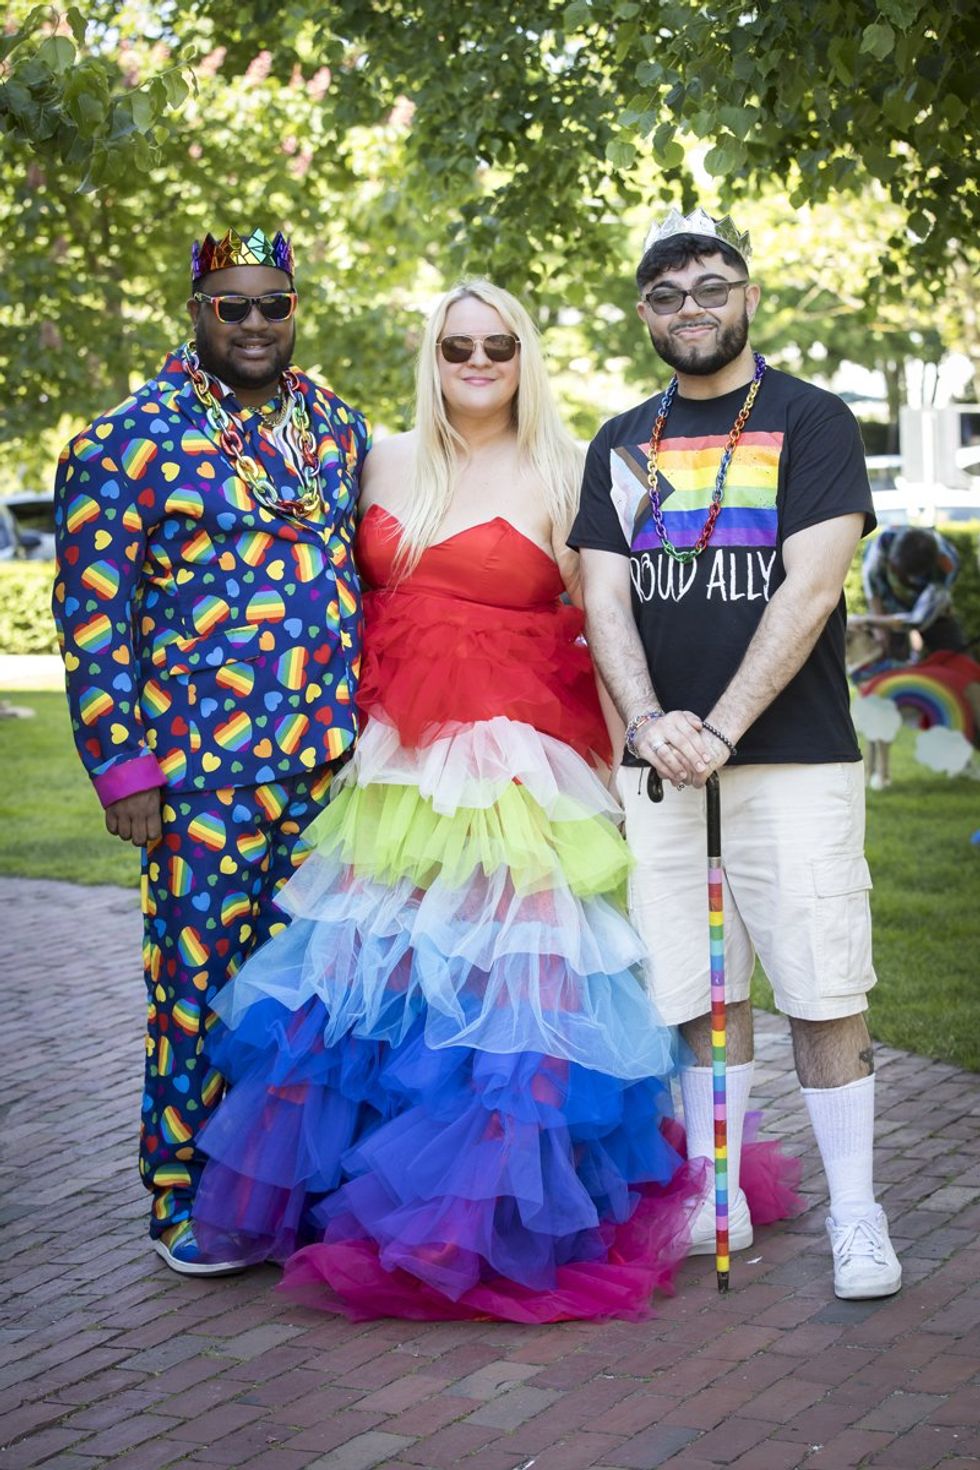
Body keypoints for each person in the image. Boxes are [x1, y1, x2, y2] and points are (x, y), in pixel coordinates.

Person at [190, 278, 799, 1323]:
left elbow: (607, 628)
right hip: (390, 774)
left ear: (525, 357)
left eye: (497, 348)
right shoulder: (378, 459)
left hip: (519, 775)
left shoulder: (572, 471)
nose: (476, 365)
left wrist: (632, 772)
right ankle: (359, 1204)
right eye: (457, 347)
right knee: (377, 990)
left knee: (512, 1004)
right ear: (432, 357)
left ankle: (490, 1221)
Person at [570, 207, 902, 1301]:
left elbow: (809, 590)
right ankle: (718, 1193)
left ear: (747, 294)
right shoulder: (620, 440)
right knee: (694, 990)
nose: (690, 309)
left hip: (791, 758)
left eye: (710, 286)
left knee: (819, 979)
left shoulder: (810, 421)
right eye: (666, 295)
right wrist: (646, 719)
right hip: (662, 761)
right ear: (643, 314)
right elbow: (602, 596)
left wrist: (719, 726)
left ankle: (856, 1213)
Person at [52, 227, 370, 1274]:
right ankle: (180, 1198)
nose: (252, 324)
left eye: (271, 305)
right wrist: (124, 768)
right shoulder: (128, 440)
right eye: (230, 307)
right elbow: (95, 619)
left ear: (294, 308)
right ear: (195, 310)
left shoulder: (334, 428)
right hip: (201, 777)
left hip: (330, 766)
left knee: (307, 987)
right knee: (196, 988)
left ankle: (283, 1189)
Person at [856, 524, 966, 659]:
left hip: (930, 609)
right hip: (890, 603)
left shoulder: (946, 566)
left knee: (953, 656)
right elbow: (872, 583)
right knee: (888, 654)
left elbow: (918, 620)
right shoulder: (887, 539)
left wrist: (866, 621)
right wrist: (878, 626)